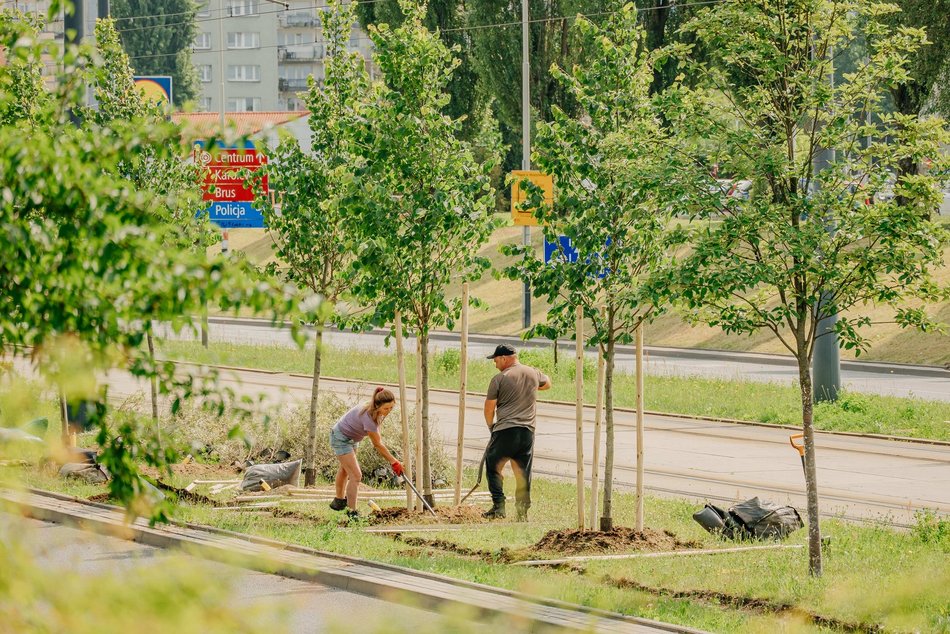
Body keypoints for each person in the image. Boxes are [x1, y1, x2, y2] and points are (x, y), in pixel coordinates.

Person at [482, 344, 551, 521]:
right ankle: (522, 513)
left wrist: (491, 427)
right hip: (527, 432)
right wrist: (529, 386)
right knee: (523, 472)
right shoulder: (533, 373)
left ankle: (498, 507)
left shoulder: (499, 379)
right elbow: (547, 383)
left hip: (506, 430)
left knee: (493, 465)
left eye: (496, 360)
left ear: (504, 358)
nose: (495, 364)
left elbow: (489, 408)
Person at [329, 387, 404, 516]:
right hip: (340, 438)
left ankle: (339, 501)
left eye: (391, 408)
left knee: (346, 469)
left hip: (351, 437)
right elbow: (377, 444)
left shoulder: (374, 410)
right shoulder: (368, 417)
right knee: (356, 475)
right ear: (377, 405)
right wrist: (394, 462)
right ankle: (352, 512)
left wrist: (394, 461)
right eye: (386, 408)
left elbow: (378, 437)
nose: (389, 411)